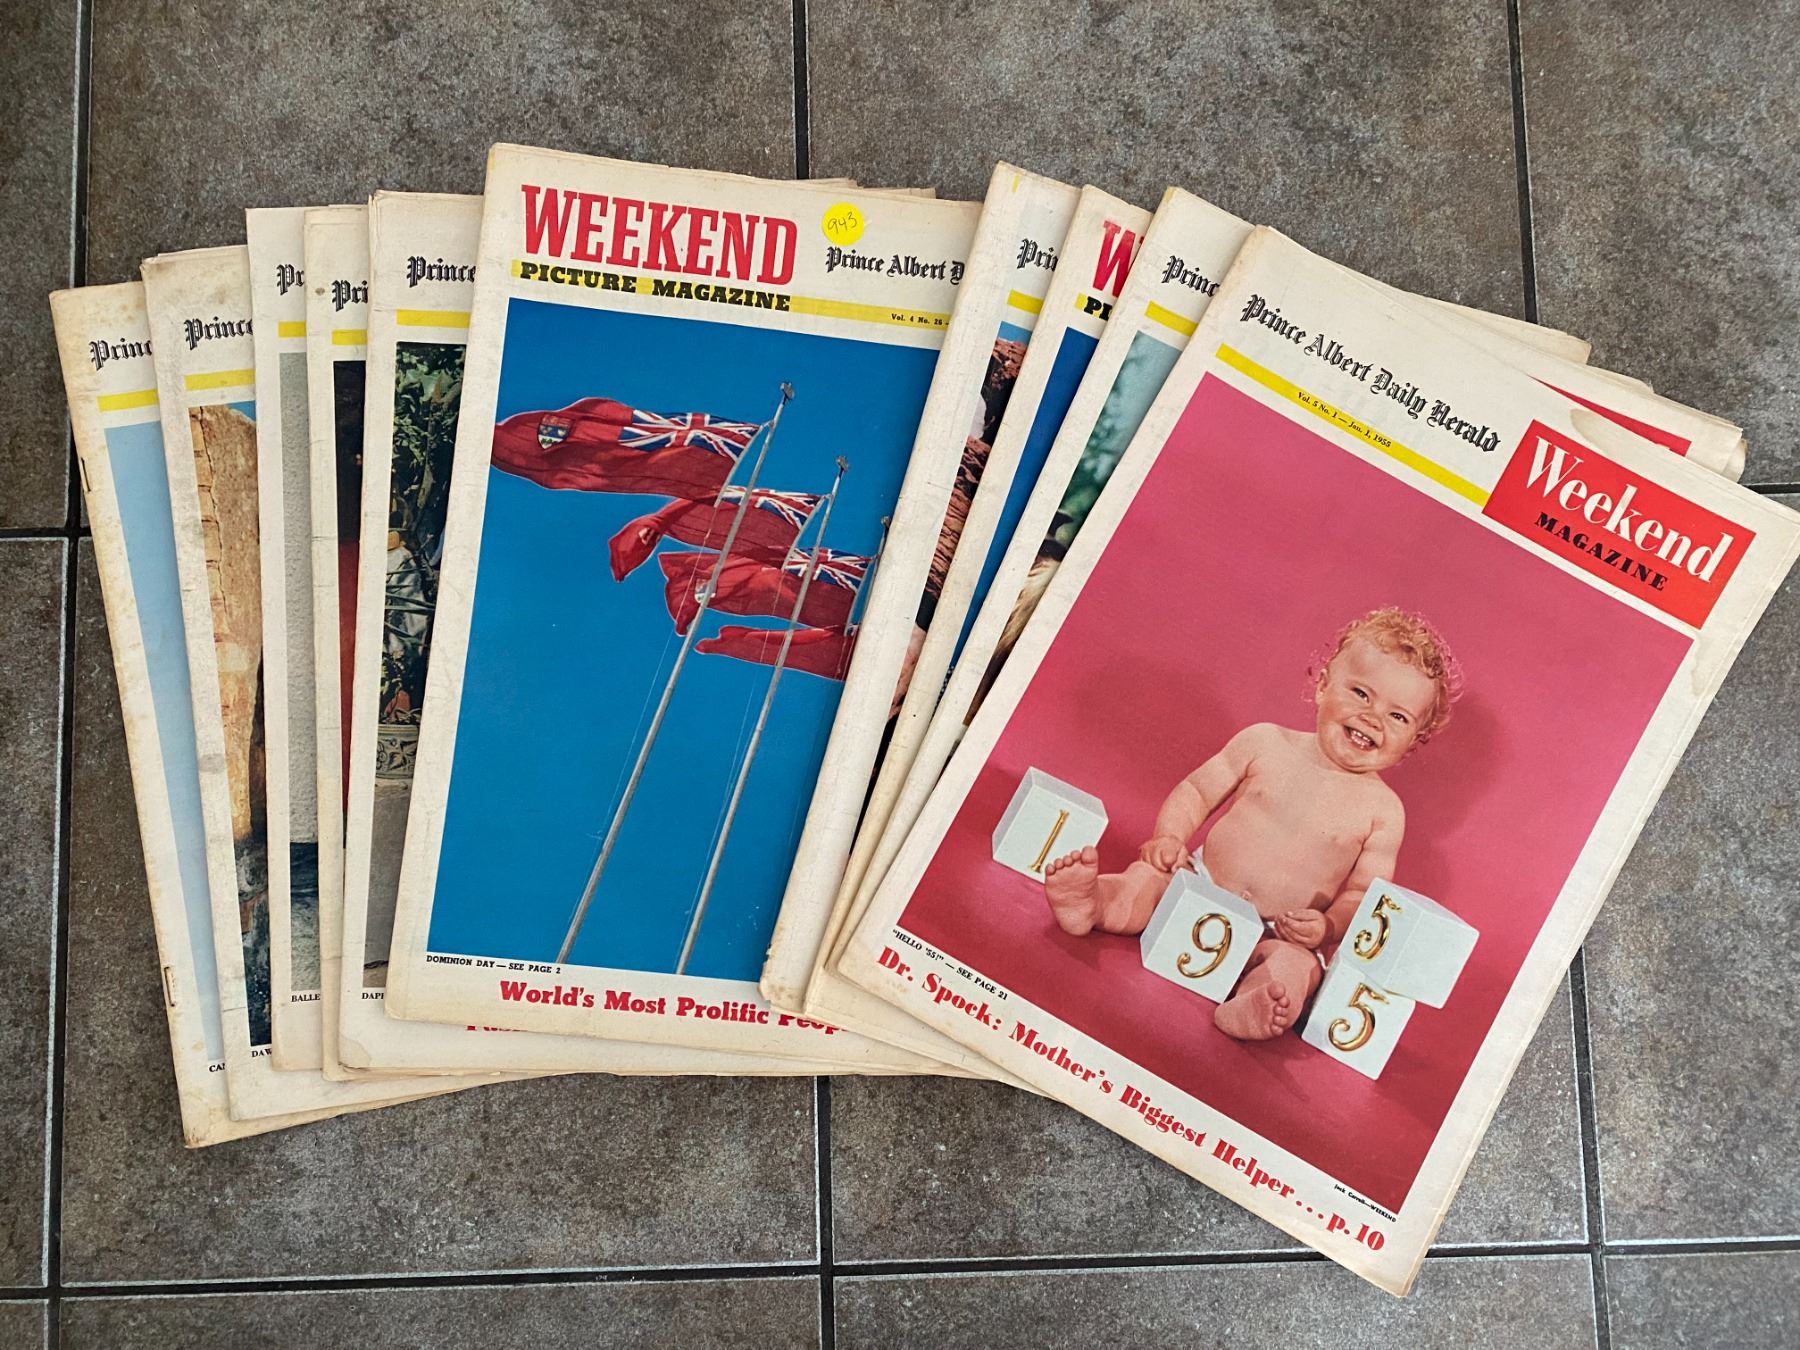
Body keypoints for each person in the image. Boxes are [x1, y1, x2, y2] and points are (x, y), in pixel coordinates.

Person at [1042, 607, 1462, 1041]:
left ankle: (1255, 1004)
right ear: (1323, 686)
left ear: (1414, 742)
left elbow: (1362, 894)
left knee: (1297, 968)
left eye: (1398, 717)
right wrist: (1168, 837)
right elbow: (1197, 792)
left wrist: (1328, 927)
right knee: (1147, 881)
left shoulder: (1384, 811)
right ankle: (1094, 902)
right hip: (1198, 885)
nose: (1373, 717)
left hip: (1278, 931)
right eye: (1360, 693)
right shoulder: (1265, 742)